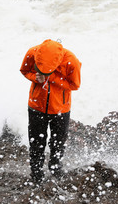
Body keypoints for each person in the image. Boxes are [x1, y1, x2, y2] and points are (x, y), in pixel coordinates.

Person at [20, 39, 81, 184]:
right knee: (36, 142)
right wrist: (35, 77)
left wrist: (51, 77)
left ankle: (55, 168)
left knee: (58, 141)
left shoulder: (71, 60)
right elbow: (24, 70)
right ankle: (36, 173)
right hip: (36, 106)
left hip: (61, 108)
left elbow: (75, 85)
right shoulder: (32, 52)